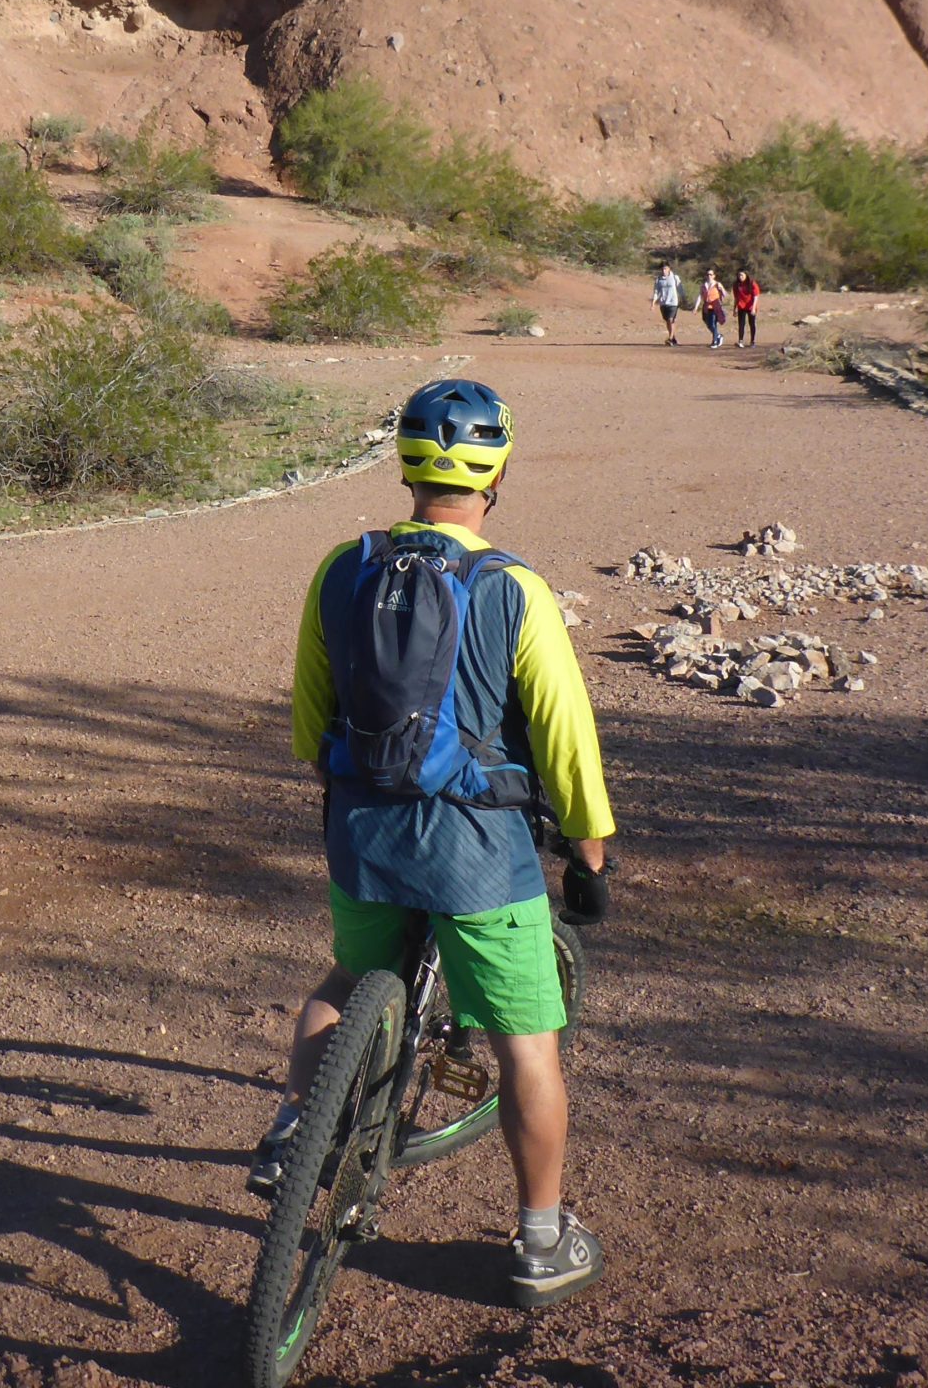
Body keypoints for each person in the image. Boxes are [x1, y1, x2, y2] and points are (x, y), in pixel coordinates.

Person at [257, 378, 615, 1309]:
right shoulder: (514, 590)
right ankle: (542, 1241)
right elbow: (564, 734)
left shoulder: (344, 567)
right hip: (478, 850)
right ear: (498, 471)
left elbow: (310, 721)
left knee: (342, 981)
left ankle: (295, 1130)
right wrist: (590, 848)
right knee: (527, 1045)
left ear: (405, 465)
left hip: (364, 829)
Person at [653, 264, 682, 345]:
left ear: (669, 269)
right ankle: (673, 338)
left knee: (671, 319)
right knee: (668, 322)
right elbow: (656, 291)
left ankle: (670, 338)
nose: (663, 271)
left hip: (673, 303)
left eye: (665, 269)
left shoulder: (674, 277)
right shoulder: (659, 279)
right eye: (662, 269)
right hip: (663, 303)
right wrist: (653, 303)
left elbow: (680, 288)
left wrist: (683, 298)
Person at [733, 269, 761, 346]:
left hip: (750, 306)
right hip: (741, 306)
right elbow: (736, 297)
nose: (740, 277)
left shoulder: (752, 283)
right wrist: (734, 308)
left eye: (742, 275)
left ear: (746, 275)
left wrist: (753, 308)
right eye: (739, 275)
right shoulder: (736, 284)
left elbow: (756, 296)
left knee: (752, 324)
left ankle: (753, 341)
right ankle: (740, 341)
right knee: (741, 324)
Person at [699, 271, 726, 348]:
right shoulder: (704, 285)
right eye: (707, 274)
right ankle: (718, 336)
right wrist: (696, 307)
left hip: (715, 306)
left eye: (711, 274)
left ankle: (714, 342)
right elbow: (700, 296)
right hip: (706, 306)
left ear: (714, 276)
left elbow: (725, 295)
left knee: (713, 323)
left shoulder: (717, 284)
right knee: (707, 323)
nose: (709, 276)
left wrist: (722, 289)